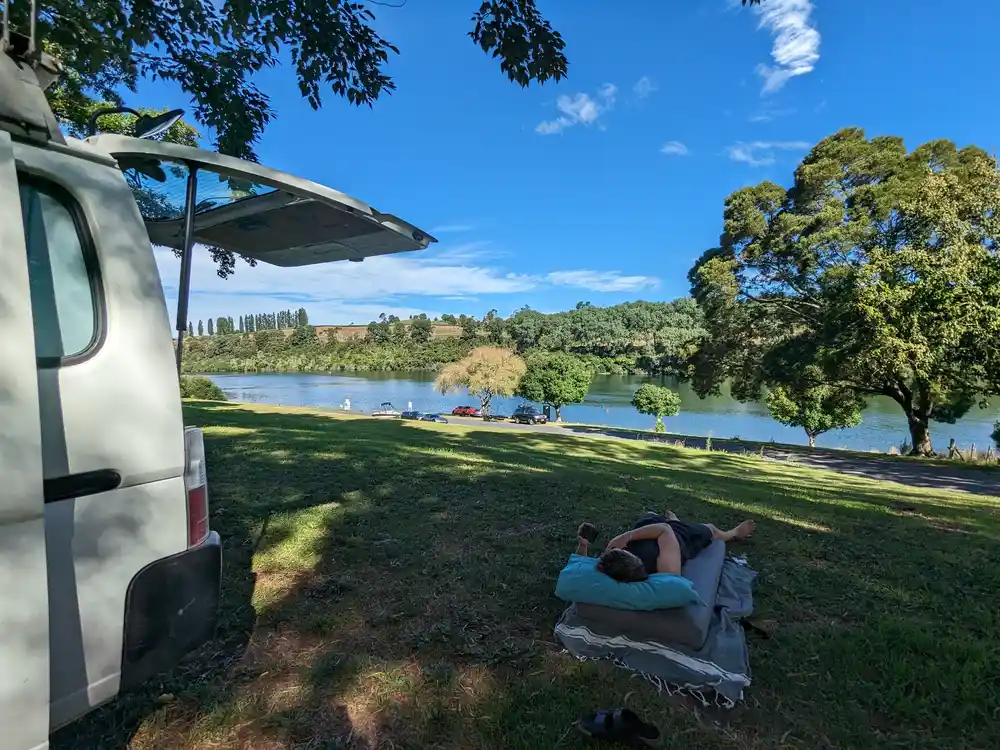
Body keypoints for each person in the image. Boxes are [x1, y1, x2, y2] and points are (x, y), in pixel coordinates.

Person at [575, 511, 756, 582]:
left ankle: (668, 518)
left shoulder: (608, 565)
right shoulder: (667, 571)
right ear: (635, 559)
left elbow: (578, 567)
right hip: (676, 537)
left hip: (646, 528)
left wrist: (583, 545)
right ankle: (733, 533)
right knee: (710, 529)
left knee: (649, 515)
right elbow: (665, 530)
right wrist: (627, 536)